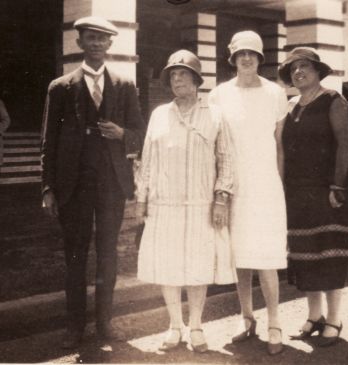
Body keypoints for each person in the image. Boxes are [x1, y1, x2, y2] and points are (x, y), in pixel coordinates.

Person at [40, 15, 145, 349]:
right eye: (90, 38)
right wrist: (48, 188)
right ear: (80, 43)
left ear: (110, 44)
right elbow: (48, 143)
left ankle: (105, 322)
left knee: (108, 254)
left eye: (102, 39)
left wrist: (122, 134)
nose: (97, 44)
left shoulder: (125, 85)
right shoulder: (60, 87)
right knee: (75, 254)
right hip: (73, 183)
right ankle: (75, 327)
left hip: (111, 183)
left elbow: (140, 135)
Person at [135, 49, 237, 353]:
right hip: (164, 205)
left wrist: (221, 198)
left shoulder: (215, 114)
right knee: (168, 268)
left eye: (183, 74)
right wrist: (142, 199)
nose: (177, 80)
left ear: (196, 79)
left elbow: (227, 159)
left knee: (197, 267)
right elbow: (148, 160)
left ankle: (195, 326)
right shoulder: (158, 115)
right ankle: (174, 326)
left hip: (200, 205)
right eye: (173, 75)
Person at [208, 30, 288, 355]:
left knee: (266, 258)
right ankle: (246, 317)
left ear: (259, 58)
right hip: (233, 186)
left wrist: (278, 183)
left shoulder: (276, 93)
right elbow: (216, 147)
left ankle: (275, 322)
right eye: (240, 54)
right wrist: (219, 191)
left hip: (266, 186)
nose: (246, 59)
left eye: (252, 54)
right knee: (240, 256)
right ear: (232, 58)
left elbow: (280, 144)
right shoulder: (218, 95)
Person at [278, 47, 348, 347]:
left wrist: (338, 187)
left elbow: (345, 144)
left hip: (328, 192)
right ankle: (314, 316)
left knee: (330, 253)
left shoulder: (333, 100)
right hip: (297, 192)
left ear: (318, 71)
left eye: (305, 66)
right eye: (294, 67)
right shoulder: (292, 105)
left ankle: (334, 318)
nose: (299, 71)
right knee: (305, 255)